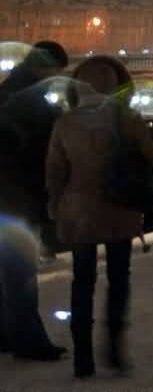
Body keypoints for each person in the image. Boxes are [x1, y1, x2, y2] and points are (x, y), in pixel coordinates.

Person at [45, 55, 153, 377]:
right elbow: (150, 164)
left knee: (83, 281)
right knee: (119, 279)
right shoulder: (127, 119)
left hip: (79, 211)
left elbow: (55, 172)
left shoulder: (66, 122)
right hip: (120, 207)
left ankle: (83, 358)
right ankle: (114, 348)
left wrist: (56, 205)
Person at [0, 40, 70, 364]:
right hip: (18, 197)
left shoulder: (9, 90)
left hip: (8, 194)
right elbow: (45, 145)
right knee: (20, 272)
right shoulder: (31, 100)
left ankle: (6, 334)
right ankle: (27, 340)